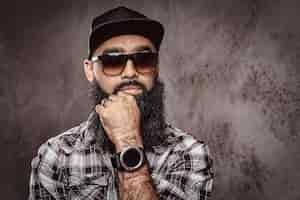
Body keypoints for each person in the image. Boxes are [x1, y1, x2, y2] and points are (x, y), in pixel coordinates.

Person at [28, 6, 214, 200]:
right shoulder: (56, 156)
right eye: (112, 61)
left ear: (156, 68)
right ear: (90, 70)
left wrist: (127, 140)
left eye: (144, 59)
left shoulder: (190, 154)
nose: (130, 72)